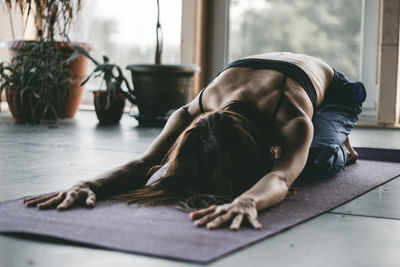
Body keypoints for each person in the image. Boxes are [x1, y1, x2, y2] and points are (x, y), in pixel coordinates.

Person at [23, 52, 366, 231]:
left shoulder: (291, 117)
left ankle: (343, 146)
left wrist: (247, 201)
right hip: (266, 71)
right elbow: (146, 163)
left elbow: (279, 176)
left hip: (335, 90)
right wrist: (90, 184)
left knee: (313, 161)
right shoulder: (195, 110)